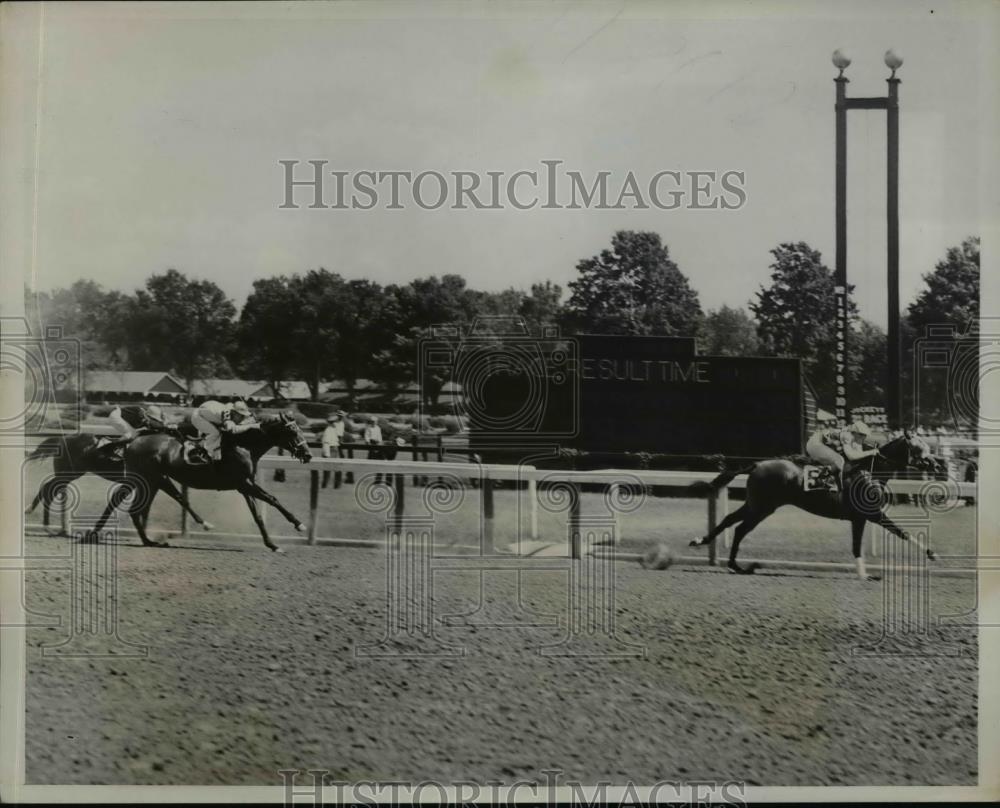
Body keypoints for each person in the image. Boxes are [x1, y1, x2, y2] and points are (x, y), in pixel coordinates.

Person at [805, 419, 880, 491]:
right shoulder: (847, 436)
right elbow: (851, 456)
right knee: (840, 460)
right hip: (815, 444)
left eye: (865, 435)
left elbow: (859, 454)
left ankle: (827, 475)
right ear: (855, 433)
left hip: (822, 444)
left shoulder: (855, 438)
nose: (864, 437)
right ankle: (823, 479)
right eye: (862, 435)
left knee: (840, 460)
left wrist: (872, 450)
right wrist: (870, 452)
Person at [189, 399, 259, 463]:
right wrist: (252, 425)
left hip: (205, 412)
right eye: (241, 416)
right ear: (235, 413)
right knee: (216, 433)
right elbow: (232, 430)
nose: (242, 418)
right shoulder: (227, 418)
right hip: (198, 417)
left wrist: (250, 419)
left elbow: (238, 423)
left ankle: (204, 445)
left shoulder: (231, 408)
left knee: (219, 431)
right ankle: (206, 455)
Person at [321, 411, 345, 489]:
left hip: (335, 449)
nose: (336, 423)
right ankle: (325, 485)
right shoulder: (328, 430)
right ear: (332, 423)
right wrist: (327, 454)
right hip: (330, 450)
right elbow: (326, 443)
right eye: (334, 422)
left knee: (337, 468)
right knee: (327, 470)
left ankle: (337, 485)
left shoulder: (333, 429)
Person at [364, 416, 386, 483]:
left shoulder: (378, 428)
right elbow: (367, 436)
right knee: (371, 463)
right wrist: (368, 442)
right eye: (372, 422)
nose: (374, 423)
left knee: (380, 461)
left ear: (376, 422)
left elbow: (380, 437)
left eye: (375, 422)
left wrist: (379, 443)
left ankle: (378, 479)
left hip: (377, 445)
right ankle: (371, 478)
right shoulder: (368, 428)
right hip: (371, 444)